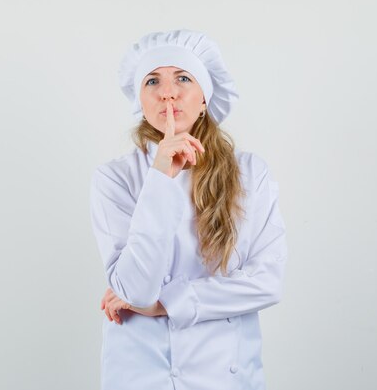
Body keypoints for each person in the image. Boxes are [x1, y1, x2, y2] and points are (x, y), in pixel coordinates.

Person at [89, 29, 288, 390]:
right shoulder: (114, 178)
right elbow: (135, 289)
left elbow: (267, 283)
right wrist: (161, 175)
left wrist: (167, 303)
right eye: (152, 81)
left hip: (225, 376)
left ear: (204, 98)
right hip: (138, 374)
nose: (168, 91)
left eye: (183, 77)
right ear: (140, 100)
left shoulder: (250, 173)